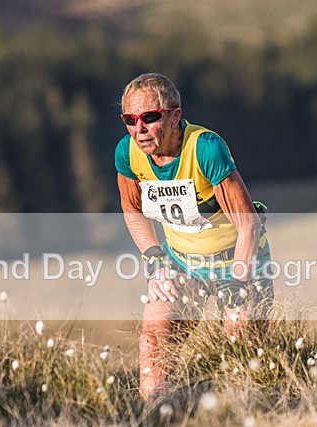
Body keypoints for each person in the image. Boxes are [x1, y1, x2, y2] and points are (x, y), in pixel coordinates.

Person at [115, 73, 273, 399]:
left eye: (150, 117)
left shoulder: (205, 149)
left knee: (244, 349)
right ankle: (156, 418)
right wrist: (155, 258)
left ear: (174, 116)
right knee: (154, 340)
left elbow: (249, 225)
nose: (139, 129)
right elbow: (133, 210)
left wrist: (238, 284)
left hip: (237, 259)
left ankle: (253, 420)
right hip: (182, 263)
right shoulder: (127, 153)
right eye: (130, 119)